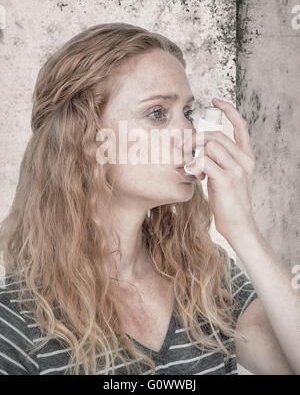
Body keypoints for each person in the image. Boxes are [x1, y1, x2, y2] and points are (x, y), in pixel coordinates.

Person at [0, 23, 297, 375]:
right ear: (85, 139)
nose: (191, 137)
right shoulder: (19, 322)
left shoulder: (207, 279)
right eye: (157, 114)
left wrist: (244, 230)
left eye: (188, 113)